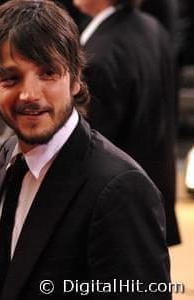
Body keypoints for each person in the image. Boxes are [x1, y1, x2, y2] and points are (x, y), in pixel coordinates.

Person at [0, 0, 170, 299]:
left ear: (76, 78)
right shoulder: (8, 159)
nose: (30, 94)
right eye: (11, 78)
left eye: (48, 73)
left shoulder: (121, 189)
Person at [73, 0, 180, 246]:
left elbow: (91, 145)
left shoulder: (99, 54)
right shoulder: (153, 28)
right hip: (152, 192)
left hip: (116, 206)